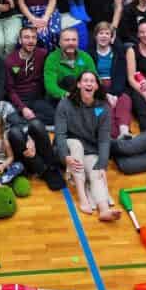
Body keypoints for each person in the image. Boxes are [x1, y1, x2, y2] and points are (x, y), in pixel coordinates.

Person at [0, 84, 66, 191]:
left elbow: (20, 124)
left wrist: (30, 140)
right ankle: (44, 171)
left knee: (36, 124)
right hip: (7, 155)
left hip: (22, 143)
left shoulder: (3, 106)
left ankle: (52, 166)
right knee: (14, 133)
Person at [55, 71, 116, 220]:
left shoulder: (103, 107)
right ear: (79, 84)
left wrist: (102, 164)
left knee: (96, 174)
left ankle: (104, 210)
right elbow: (60, 134)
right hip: (68, 147)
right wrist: (65, 156)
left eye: (92, 81)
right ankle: (83, 198)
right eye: (85, 80)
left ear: (96, 86)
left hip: (90, 150)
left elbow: (104, 139)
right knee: (76, 145)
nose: (89, 83)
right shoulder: (65, 104)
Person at [6, 25, 53, 125]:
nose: (31, 41)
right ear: (20, 40)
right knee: (12, 119)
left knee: (53, 116)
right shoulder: (10, 60)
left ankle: (29, 123)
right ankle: (32, 123)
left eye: (33, 37)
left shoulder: (42, 54)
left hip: (37, 98)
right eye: (26, 37)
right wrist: (22, 108)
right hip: (19, 99)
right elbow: (10, 90)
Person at [44, 26, 95, 103]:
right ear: (60, 43)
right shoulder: (52, 58)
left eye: (74, 40)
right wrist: (68, 95)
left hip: (82, 97)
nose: (71, 43)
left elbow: (95, 78)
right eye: (67, 40)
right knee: (69, 79)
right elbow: (50, 86)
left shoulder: (85, 57)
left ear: (78, 42)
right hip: (58, 99)